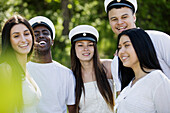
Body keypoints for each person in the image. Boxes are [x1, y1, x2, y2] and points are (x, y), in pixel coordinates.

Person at [104, 0, 170, 93]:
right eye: (114, 19)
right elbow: (122, 96)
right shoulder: (117, 61)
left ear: (134, 17)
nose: (119, 22)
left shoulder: (158, 39)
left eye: (124, 17)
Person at [27, 16, 76, 113]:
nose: (41, 36)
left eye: (45, 33)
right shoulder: (23, 70)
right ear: (30, 41)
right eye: (36, 34)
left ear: (52, 41)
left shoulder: (66, 74)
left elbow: (73, 109)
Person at [115, 28, 170, 113]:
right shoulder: (129, 85)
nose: (121, 51)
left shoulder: (157, 79)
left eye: (127, 45)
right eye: (119, 47)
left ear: (141, 46)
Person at [69, 25, 115, 113]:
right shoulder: (70, 76)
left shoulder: (108, 67)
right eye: (80, 45)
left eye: (90, 45)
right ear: (74, 49)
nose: (85, 49)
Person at [0, 15, 41, 113]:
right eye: (16, 36)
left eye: (26, 34)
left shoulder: (26, 69)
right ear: (8, 41)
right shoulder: (5, 69)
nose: (23, 39)